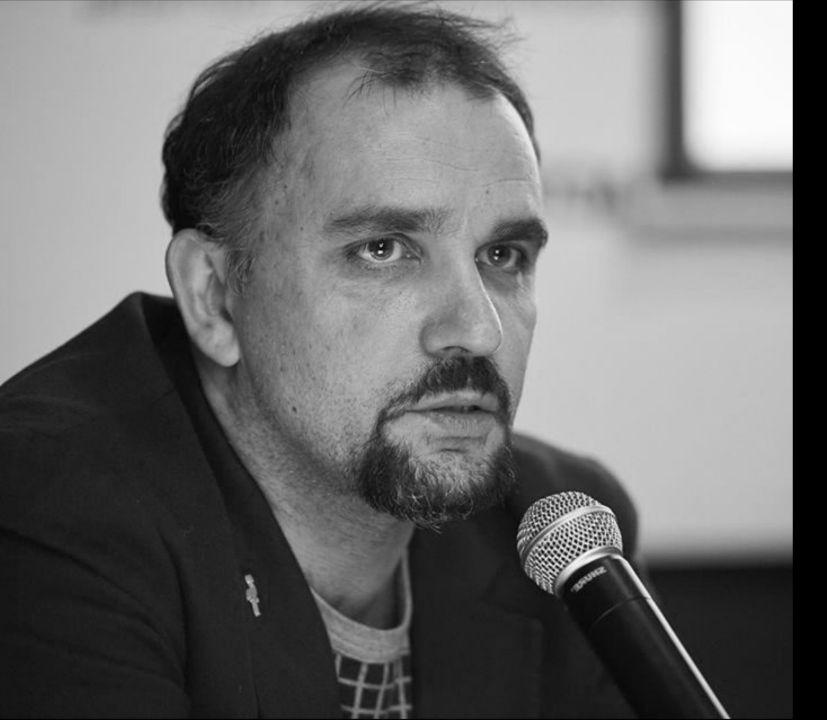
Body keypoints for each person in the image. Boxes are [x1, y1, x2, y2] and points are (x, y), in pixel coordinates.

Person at [0, 3, 643, 717]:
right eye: (383, 250)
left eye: (503, 255)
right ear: (214, 297)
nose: (477, 329)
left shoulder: (561, 537)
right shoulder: (46, 509)